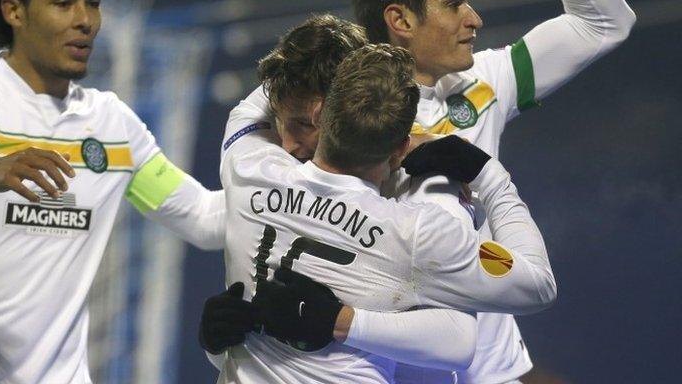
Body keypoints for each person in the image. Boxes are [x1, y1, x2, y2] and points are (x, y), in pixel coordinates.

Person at [0, 0, 224, 382]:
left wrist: (299, 182)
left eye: (93, 3)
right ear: (14, 11)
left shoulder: (113, 127)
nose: (86, 21)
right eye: (63, 2)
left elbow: (206, 220)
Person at [347, 0, 636, 382]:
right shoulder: (338, 111)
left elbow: (605, 23)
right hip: (385, 368)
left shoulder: (482, 82)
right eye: (453, 3)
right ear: (400, 20)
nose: (474, 18)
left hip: (492, 370)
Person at [212, 42, 555, 383]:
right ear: (402, 145)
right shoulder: (416, 228)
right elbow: (537, 285)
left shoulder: (248, 167)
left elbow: (270, 87)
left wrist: (343, 42)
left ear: (321, 116)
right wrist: (490, 176)